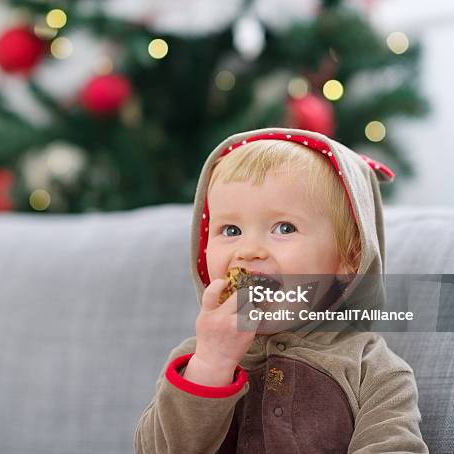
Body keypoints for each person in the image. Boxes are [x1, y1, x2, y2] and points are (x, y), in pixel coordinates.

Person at [134, 127, 429, 453]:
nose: (249, 251)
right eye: (230, 230)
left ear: (349, 257)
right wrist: (211, 365)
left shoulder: (371, 369)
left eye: (284, 228)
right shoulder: (192, 362)